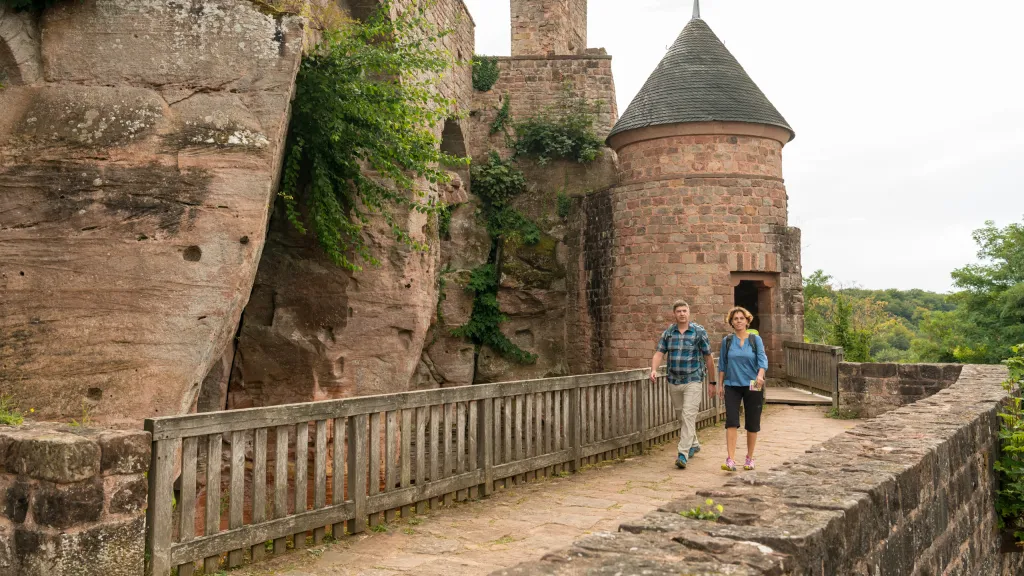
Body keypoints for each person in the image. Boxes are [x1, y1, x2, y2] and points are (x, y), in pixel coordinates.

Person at [650, 300, 717, 469]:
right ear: (674, 313)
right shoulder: (669, 333)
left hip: (693, 380)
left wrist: (712, 382)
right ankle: (693, 444)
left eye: (684, 310)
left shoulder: (698, 332)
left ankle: (683, 454)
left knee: (688, 415)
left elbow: (708, 357)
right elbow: (659, 353)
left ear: (689, 312)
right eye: (678, 311)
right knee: (681, 416)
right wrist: (653, 369)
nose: (682, 313)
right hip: (674, 380)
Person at [717, 306, 768, 472]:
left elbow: (762, 360)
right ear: (731, 322)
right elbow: (723, 364)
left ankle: (749, 458)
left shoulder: (755, 340)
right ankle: (730, 459)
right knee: (731, 421)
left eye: (741, 318)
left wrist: (760, 375)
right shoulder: (727, 341)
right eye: (735, 319)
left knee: (752, 422)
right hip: (732, 385)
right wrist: (720, 384)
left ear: (747, 321)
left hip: (753, 384)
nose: (738, 321)